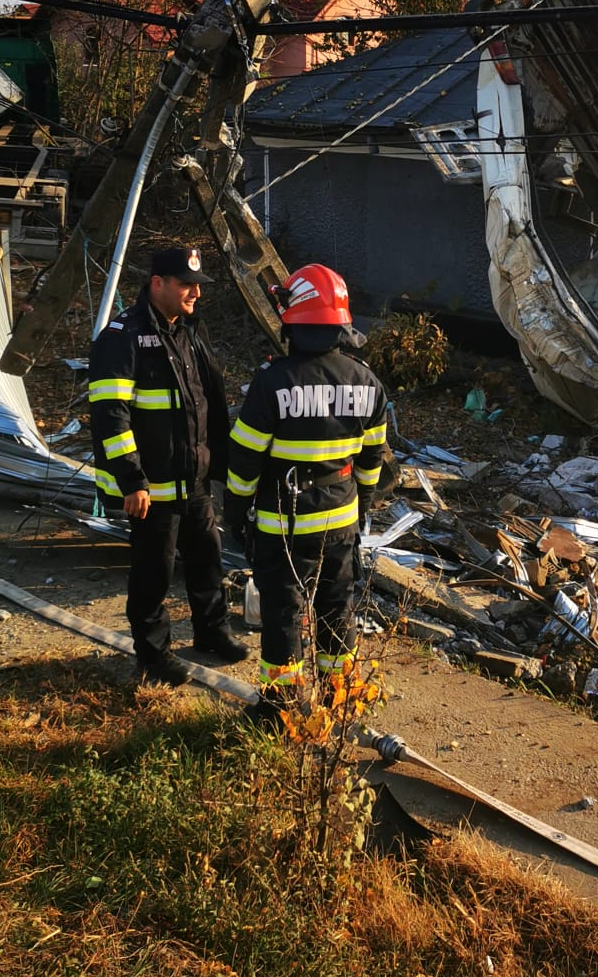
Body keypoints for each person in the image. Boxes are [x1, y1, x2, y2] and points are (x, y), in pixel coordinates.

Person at [223, 263, 387, 724]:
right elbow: (372, 461)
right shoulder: (366, 382)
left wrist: (236, 511)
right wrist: (363, 508)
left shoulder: (273, 381)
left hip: (285, 521)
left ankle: (281, 710)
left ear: (292, 320)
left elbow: (245, 459)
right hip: (342, 519)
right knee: (338, 608)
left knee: (283, 613)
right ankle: (341, 697)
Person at [89, 244, 248, 685]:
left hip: (193, 479)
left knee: (207, 561)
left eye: (198, 285)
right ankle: (153, 655)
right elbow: (110, 414)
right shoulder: (122, 337)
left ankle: (212, 633)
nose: (195, 293)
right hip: (152, 486)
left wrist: (218, 464)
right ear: (157, 283)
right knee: (153, 572)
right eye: (186, 284)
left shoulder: (189, 332)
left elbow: (205, 405)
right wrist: (132, 480)